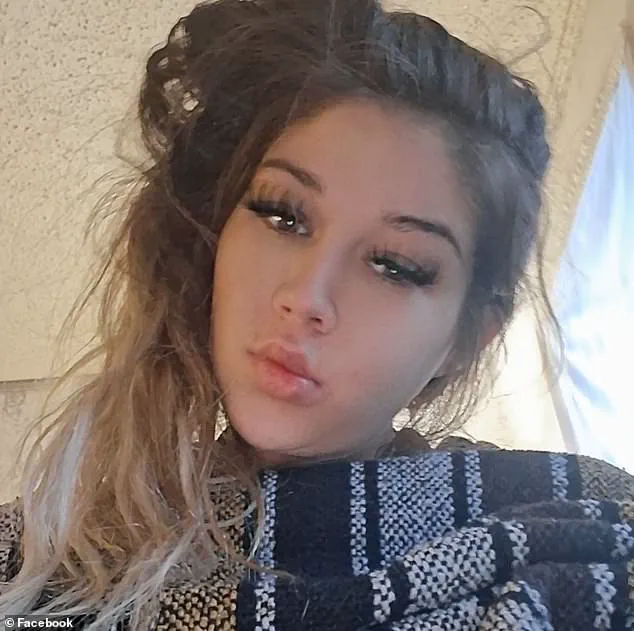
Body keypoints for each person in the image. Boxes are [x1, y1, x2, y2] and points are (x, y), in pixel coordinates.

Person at [1, 0, 633, 628]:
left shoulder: (576, 526)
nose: (306, 297)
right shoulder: (38, 552)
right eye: (283, 214)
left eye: (395, 264)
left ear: (467, 339)